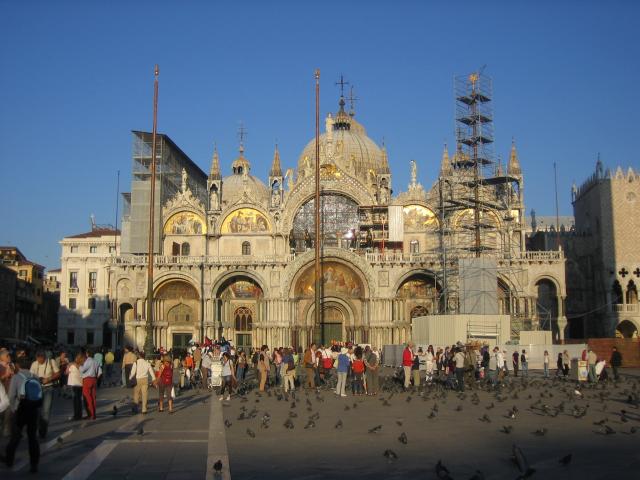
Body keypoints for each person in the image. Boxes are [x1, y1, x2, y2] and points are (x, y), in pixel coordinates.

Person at [3, 358, 42, 473]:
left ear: (18, 366)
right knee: (32, 438)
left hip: (20, 410)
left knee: (15, 436)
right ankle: (34, 464)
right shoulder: (34, 377)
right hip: (33, 410)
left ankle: (9, 459)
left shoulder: (16, 377)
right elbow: (39, 394)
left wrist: (14, 408)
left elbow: (11, 396)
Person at [30, 350, 60, 438]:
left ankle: (43, 430)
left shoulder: (51, 361)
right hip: (37, 389)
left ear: (44, 357)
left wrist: (49, 379)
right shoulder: (34, 364)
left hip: (48, 388)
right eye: (38, 359)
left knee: (46, 410)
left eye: (41, 359)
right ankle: (38, 425)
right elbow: (30, 376)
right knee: (37, 410)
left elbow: (58, 373)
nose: (39, 361)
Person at [79, 349, 98, 420]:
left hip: (87, 379)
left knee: (87, 397)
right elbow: (97, 371)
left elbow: (82, 369)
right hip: (94, 379)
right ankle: (93, 413)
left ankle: (91, 413)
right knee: (93, 397)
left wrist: (80, 365)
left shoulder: (88, 361)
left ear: (87, 354)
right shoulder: (95, 361)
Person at [67, 353, 83, 420]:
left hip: (74, 384)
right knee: (79, 400)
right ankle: (79, 414)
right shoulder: (82, 366)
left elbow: (66, 372)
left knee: (75, 401)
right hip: (80, 384)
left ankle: (76, 415)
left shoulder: (72, 366)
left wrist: (68, 365)